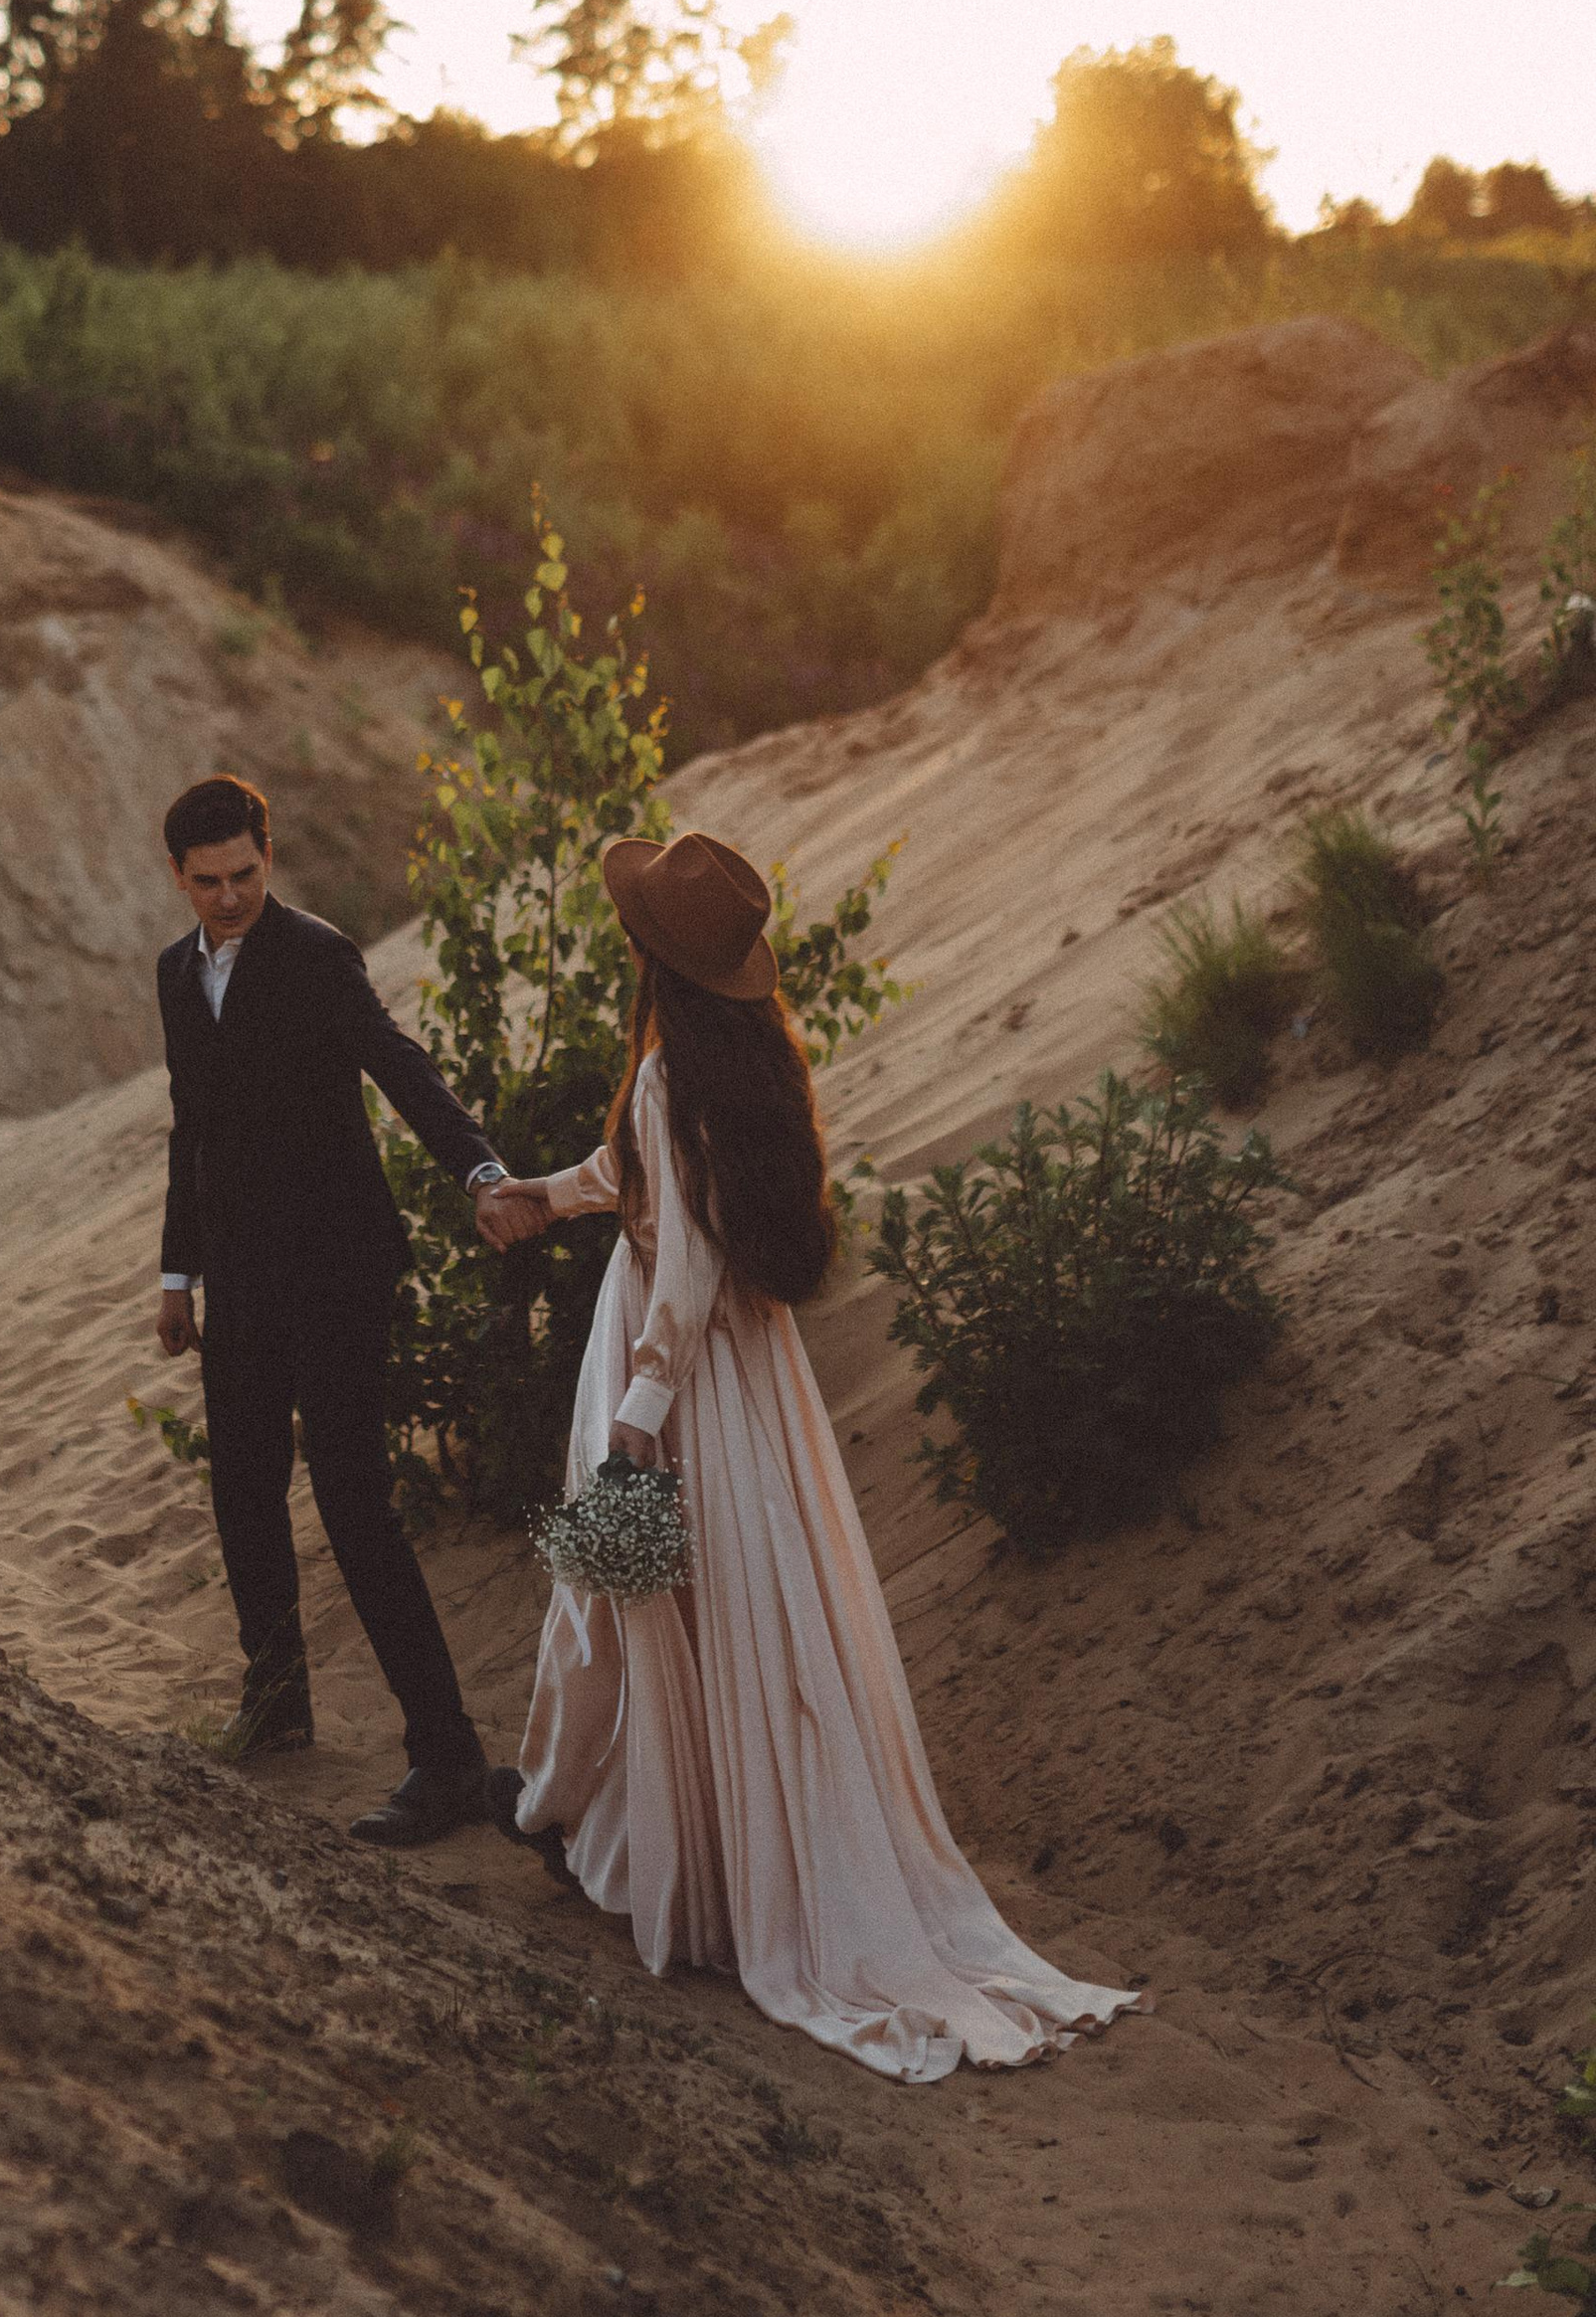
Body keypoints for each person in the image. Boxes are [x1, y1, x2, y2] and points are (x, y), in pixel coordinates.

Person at [475, 828, 1140, 2082]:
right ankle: (609, 1825)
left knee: (618, 1602)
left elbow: (683, 1262)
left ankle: (562, 1814)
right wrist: (541, 1195)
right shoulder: (745, 1061)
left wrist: (638, 1411)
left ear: (650, 956)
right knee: (738, 1616)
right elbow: (644, 1181)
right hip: (749, 1381)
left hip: (676, 1378)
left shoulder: (669, 1072)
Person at [152, 773, 508, 1848]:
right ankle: (277, 1711)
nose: (229, 897)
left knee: (354, 1505)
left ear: (269, 855)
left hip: (341, 1269)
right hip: (240, 1277)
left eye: (244, 874)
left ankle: (448, 1756)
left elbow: (396, 1062)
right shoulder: (175, 972)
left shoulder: (315, 954)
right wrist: (177, 1275)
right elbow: (192, 1126)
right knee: (243, 1490)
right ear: (178, 877)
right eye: (208, 881)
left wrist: (479, 1168)